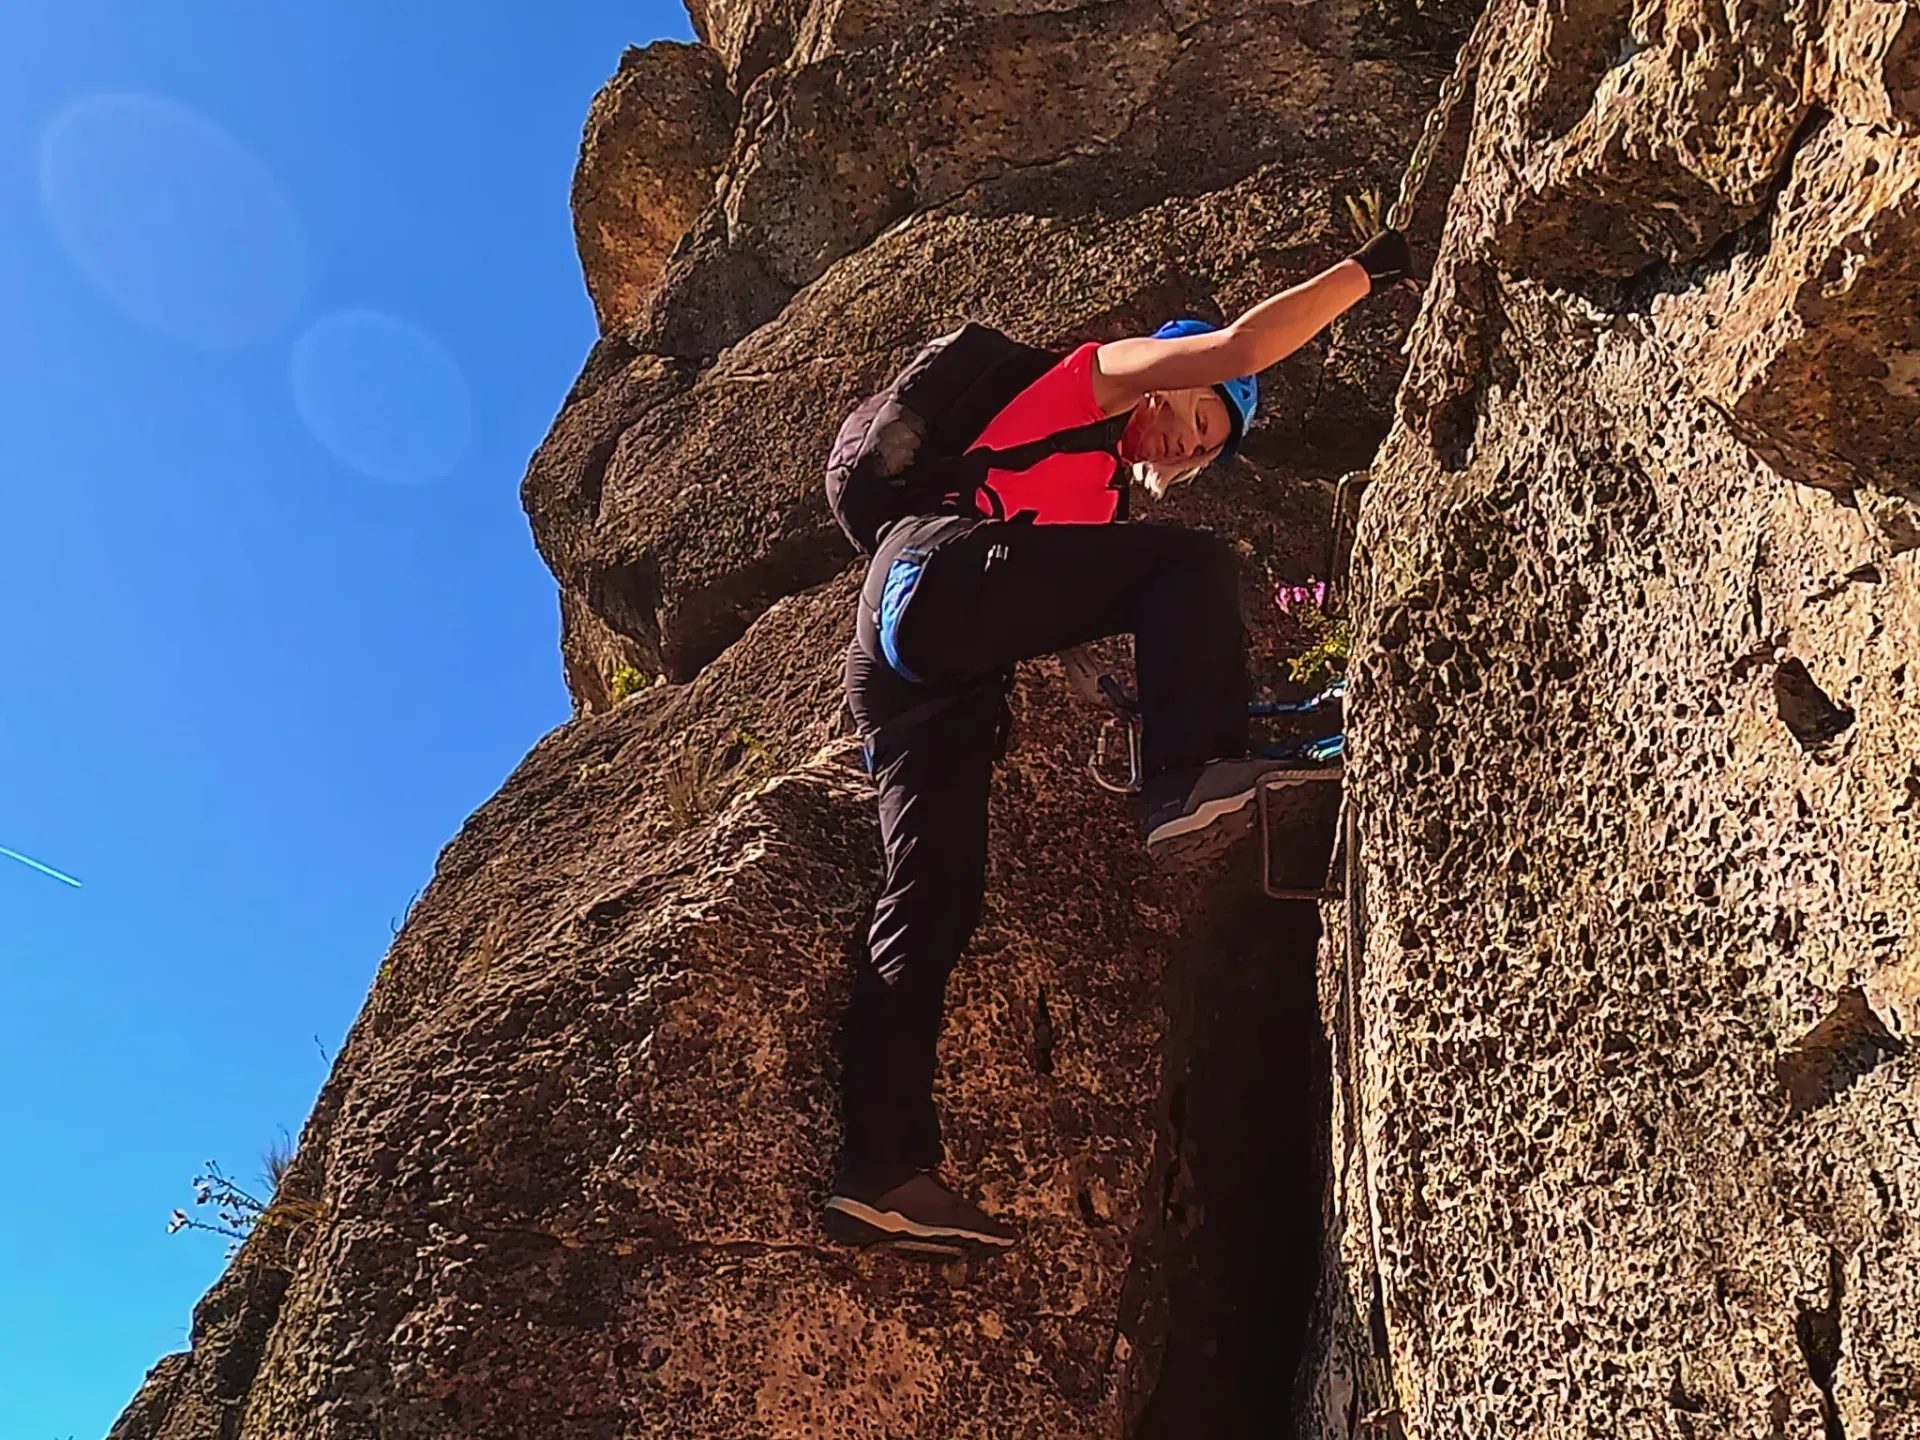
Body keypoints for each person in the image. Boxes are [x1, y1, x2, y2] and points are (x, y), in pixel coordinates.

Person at [823, 230, 1414, 1251]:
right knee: (1188, 568)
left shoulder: (1096, 504)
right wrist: (1370, 270)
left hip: (917, 658)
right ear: (1163, 374)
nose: (1190, 443)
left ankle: (879, 1168)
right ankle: (1188, 780)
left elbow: (1045, 608)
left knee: (933, 895)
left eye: (1208, 446)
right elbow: (1236, 346)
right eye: (1195, 413)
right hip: (931, 575)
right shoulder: (1083, 383)